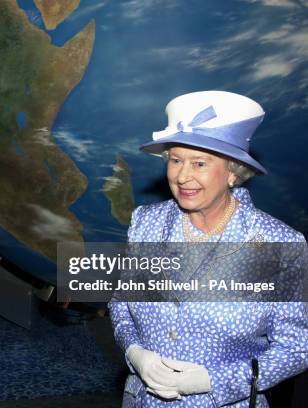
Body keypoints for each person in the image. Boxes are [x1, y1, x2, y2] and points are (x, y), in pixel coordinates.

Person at [108, 91, 307, 407]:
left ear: (232, 172)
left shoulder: (281, 246)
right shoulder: (145, 223)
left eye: (199, 163)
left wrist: (214, 381)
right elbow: (121, 302)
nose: (182, 176)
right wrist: (135, 353)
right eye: (175, 160)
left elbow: (297, 348)